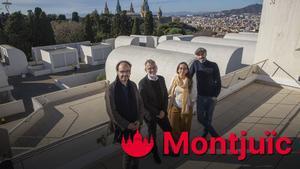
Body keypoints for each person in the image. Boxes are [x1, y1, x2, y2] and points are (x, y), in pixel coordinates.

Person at [105, 60, 144, 169]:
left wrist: (139, 120)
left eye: (127, 71)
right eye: (122, 71)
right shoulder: (111, 89)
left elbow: (140, 104)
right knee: (128, 154)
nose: (125, 74)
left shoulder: (133, 85)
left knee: (136, 151)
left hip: (136, 125)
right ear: (117, 72)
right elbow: (112, 112)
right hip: (124, 128)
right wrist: (127, 125)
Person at [138, 59, 172, 164]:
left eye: (154, 67)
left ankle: (167, 150)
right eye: (149, 68)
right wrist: (158, 112)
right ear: (145, 69)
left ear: (156, 67)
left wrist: (163, 110)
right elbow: (145, 102)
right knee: (152, 135)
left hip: (161, 112)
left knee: (168, 130)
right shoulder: (142, 83)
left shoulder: (161, 79)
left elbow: (165, 96)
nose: (152, 70)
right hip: (150, 114)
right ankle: (155, 153)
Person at [189, 48, 221, 138]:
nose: (200, 56)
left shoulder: (213, 65)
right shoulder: (195, 64)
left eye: (202, 54)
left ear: (205, 54)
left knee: (208, 118)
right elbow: (189, 76)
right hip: (200, 96)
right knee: (200, 118)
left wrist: (215, 95)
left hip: (211, 97)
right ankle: (215, 135)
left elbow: (218, 81)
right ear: (196, 55)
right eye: (198, 54)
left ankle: (205, 134)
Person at [168, 62, 193, 137]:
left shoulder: (190, 81)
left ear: (187, 71)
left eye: (185, 68)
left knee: (185, 128)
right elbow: (170, 90)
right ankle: (176, 144)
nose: (182, 70)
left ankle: (183, 144)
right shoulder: (175, 79)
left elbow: (193, 96)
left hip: (186, 108)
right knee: (173, 127)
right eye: (180, 68)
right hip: (175, 106)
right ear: (178, 70)